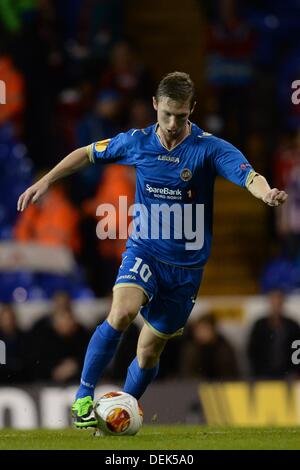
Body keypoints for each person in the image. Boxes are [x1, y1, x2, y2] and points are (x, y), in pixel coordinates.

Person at [17, 72, 288, 428]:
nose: (174, 124)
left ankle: (120, 411)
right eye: (167, 114)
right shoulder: (136, 142)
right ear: (155, 106)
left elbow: (249, 176)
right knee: (122, 313)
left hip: (186, 269)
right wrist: (46, 180)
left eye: (181, 115)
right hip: (144, 251)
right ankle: (83, 397)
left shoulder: (210, 149)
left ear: (192, 108)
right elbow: (86, 153)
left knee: (148, 351)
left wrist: (265, 193)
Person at [248, 289, 300, 379]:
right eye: (274, 302)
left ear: (282, 303)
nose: (276, 306)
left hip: (288, 374)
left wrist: (296, 370)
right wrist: (257, 371)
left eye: (278, 303)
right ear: (270, 303)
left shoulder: (292, 326)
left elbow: (297, 349)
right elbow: (252, 350)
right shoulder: (260, 325)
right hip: (263, 374)